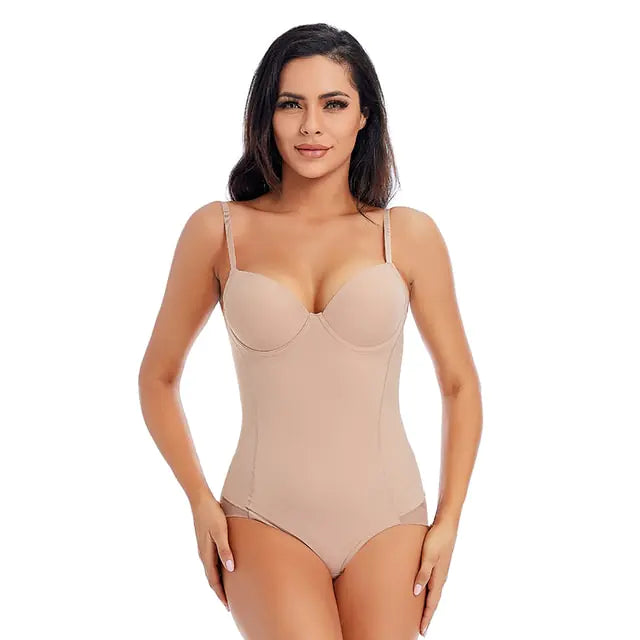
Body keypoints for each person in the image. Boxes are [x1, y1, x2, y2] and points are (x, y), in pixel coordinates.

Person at [138, 22, 482, 639]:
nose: (311, 126)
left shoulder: (408, 236)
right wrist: (198, 500)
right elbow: (158, 378)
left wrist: (450, 520)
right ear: (266, 116)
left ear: (364, 117)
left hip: (390, 521)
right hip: (263, 519)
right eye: (291, 104)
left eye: (334, 104)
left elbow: (459, 384)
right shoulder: (218, 232)